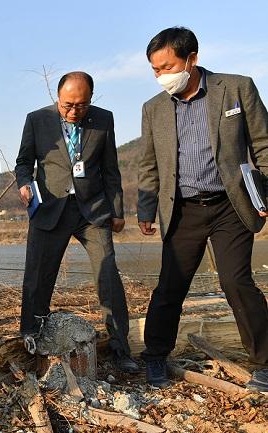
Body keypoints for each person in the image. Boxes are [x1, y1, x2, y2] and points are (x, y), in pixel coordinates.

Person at [137, 26, 268, 391]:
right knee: (170, 286)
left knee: (236, 281)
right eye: (155, 69)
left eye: (167, 66)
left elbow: (263, 143)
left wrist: (267, 193)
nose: (161, 76)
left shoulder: (237, 88)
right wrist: (146, 209)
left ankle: (264, 363)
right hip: (182, 210)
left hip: (231, 205)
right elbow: (148, 165)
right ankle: (156, 358)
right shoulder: (153, 109)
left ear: (191, 59)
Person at [15, 71, 139, 373]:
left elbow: (111, 168)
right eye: (67, 105)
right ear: (58, 98)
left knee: (108, 274)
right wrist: (24, 183)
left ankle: (121, 346)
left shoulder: (103, 119)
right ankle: (31, 339)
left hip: (93, 210)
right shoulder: (36, 119)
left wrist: (118, 210)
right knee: (38, 276)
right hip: (51, 208)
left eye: (80, 106)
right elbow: (23, 163)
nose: (73, 111)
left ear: (90, 100)